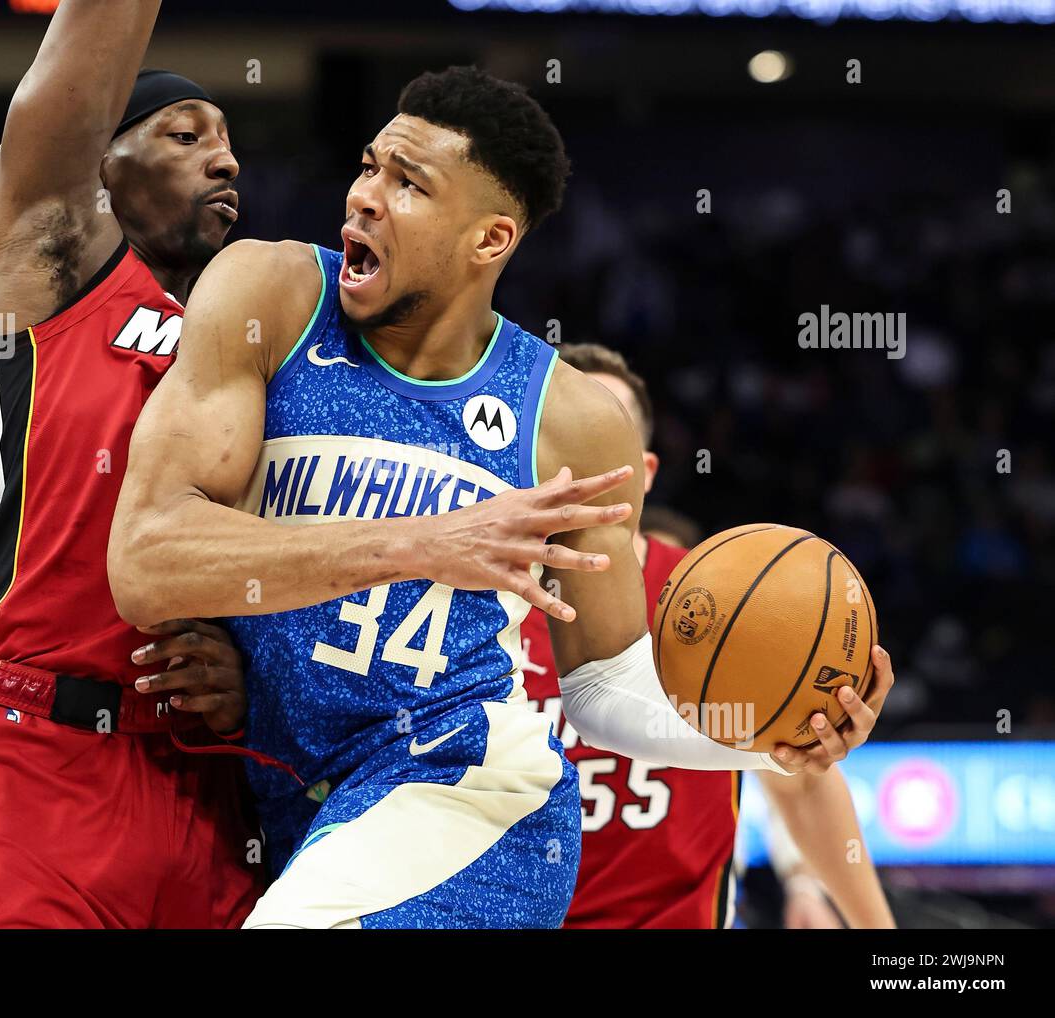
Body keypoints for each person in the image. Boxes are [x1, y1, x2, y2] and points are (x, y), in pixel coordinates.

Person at [109, 66, 894, 929]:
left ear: (489, 240)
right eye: (370, 167)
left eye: (409, 184)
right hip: (299, 801)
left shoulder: (572, 418)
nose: (366, 197)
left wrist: (762, 736)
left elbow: (602, 686)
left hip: (470, 791)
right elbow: (147, 560)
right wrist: (418, 543)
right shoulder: (272, 293)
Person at [0, 0, 265, 928]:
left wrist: (253, 680)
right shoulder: (46, 265)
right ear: (103, 167)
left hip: (209, 792)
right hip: (32, 751)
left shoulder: (254, 354)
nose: (226, 159)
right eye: (185, 134)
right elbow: (84, 59)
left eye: (227, 142)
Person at [521, 343, 896, 928]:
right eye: (556, 448)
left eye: (595, 448)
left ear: (643, 474)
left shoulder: (724, 600)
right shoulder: (474, 604)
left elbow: (799, 780)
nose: (573, 471)